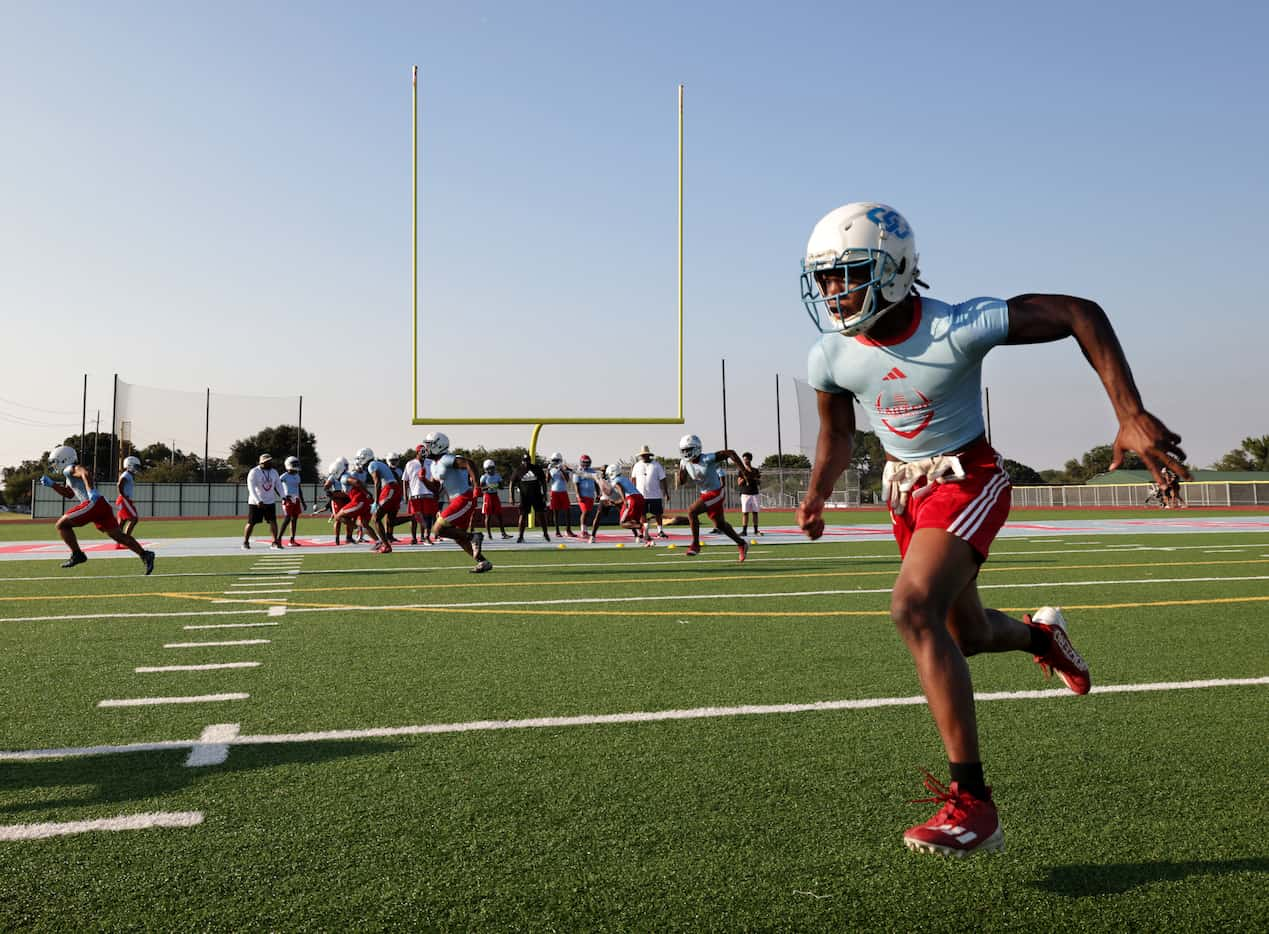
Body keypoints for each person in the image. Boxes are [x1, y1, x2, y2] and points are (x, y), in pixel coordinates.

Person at [795, 201, 1188, 857]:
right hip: (904, 494)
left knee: (912, 607)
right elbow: (836, 436)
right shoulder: (830, 357)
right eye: (825, 279)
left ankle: (972, 804)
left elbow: (1076, 313)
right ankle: (1041, 636)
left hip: (967, 478)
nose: (834, 292)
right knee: (965, 633)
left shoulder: (956, 324)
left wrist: (1129, 411)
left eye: (848, 273)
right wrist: (815, 494)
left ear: (893, 270)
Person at [42, 445, 154, 573]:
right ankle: (145, 554)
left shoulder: (69, 469)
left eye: (55, 462)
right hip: (101, 505)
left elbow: (85, 472)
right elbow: (69, 494)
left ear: (64, 459)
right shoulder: (68, 475)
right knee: (118, 535)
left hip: (93, 503)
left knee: (61, 525)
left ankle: (77, 555)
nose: (54, 465)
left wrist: (90, 491)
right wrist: (52, 485)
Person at [422, 431, 491, 573]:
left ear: (438, 445)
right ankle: (483, 562)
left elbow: (469, 463)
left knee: (438, 529)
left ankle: (474, 537)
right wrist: (423, 480)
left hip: (464, 498)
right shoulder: (433, 465)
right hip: (454, 501)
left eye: (428, 445)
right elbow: (436, 489)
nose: (426, 448)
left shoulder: (447, 459)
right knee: (459, 537)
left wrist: (477, 486)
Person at [677, 433, 750, 561]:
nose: (686, 453)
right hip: (705, 494)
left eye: (688, 450)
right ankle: (741, 543)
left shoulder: (707, 458)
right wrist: (681, 473)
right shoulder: (684, 462)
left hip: (716, 492)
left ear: (697, 448)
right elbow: (682, 482)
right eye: (684, 450)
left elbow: (731, 453)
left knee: (691, 511)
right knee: (720, 525)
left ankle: (695, 544)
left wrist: (744, 472)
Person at [336, 448, 383, 551]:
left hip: (359, 501)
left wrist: (366, 493)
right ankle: (378, 541)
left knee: (338, 516)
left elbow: (357, 482)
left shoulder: (344, 477)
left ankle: (356, 528)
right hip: (365, 501)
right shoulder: (349, 474)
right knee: (364, 524)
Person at [243, 453, 283, 550]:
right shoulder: (254, 472)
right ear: (262, 462)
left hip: (270, 501)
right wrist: (258, 501)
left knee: (273, 521)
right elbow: (251, 488)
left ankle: (275, 542)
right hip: (255, 502)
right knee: (251, 522)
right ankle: (245, 542)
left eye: (270, 461)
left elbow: (278, 485)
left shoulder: (274, 472)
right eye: (267, 461)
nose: (269, 463)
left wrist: (284, 496)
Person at [365, 449, 401, 553]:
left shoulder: (371, 465)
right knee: (390, 520)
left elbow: (377, 482)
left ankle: (385, 545)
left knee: (376, 518)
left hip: (390, 488)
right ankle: (412, 517)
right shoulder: (377, 463)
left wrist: (376, 501)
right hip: (392, 489)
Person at [605, 463, 650, 545]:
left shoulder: (616, 480)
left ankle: (642, 526)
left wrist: (624, 500)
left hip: (632, 499)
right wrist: (615, 502)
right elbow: (627, 493)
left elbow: (620, 488)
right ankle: (649, 540)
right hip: (640, 498)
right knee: (634, 521)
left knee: (623, 523)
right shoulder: (624, 479)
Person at [403, 445, 439, 544]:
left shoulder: (431, 463)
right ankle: (414, 538)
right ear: (417, 452)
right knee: (414, 518)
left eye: (425, 453)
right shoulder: (410, 464)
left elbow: (436, 479)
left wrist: (436, 491)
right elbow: (405, 480)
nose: (424, 455)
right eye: (422, 452)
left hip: (428, 493)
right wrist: (405, 495)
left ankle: (426, 537)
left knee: (428, 517)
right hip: (415, 494)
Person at [631, 445, 669, 537]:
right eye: (643, 455)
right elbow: (633, 479)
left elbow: (663, 479)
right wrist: (633, 492)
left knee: (658, 514)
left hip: (655, 495)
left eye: (646, 455)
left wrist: (666, 493)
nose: (644, 456)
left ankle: (660, 531)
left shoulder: (656, 465)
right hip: (641, 495)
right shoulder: (637, 465)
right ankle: (645, 531)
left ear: (649, 455)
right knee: (642, 514)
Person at [510, 454, 550, 543]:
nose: (526, 463)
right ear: (522, 461)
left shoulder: (536, 469)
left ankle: (545, 533)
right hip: (524, 497)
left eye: (527, 460)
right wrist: (511, 497)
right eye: (524, 461)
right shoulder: (518, 470)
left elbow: (543, 482)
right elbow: (512, 483)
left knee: (541, 515)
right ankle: (520, 536)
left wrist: (544, 494)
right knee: (523, 516)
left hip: (537, 496)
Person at [321, 456, 354, 545]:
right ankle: (337, 538)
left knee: (347, 517)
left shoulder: (347, 474)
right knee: (338, 519)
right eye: (345, 465)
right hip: (338, 498)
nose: (346, 467)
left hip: (346, 496)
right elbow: (326, 486)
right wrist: (331, 493)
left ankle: (349, 537)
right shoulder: (334, 475)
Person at [277, 455, 307, 546]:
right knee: (287, 519)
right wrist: (282, 496)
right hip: (288, 499)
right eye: (294, 464)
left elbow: (299, 488)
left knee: (294, 520)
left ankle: (292, 540)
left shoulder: (297, 475)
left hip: (296, 499)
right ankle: (278, 539)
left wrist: (303, 502)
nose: (296, 466)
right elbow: (276, 485)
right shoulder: (284, 476)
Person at [479, 459, 512, 539]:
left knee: (499, 515)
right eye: (489, 468)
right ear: (486, 469)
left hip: (495, 495)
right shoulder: (484, 477)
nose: (491, 470)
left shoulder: (497, 476)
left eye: (492, 468)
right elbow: (481, 488)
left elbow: (501, 487)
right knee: (488, 516)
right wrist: (488, 487)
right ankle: (489, 534)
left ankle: (503, 533)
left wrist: (497, 485)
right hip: (487, 496)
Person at [546, 451, 577, 537]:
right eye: (554, 460)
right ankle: (557, 531)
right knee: (555, 512)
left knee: (567, 511)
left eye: (557, 460)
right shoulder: (551, 468)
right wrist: (548, 471)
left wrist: (561, 470)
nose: (555, 462)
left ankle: (568, 530)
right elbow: (547, 480)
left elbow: (567, 479)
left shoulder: (563, 468)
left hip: (563, 491)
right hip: (554, 492)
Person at [114, 454, 142, 547]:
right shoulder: (126, 475)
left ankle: (119, 542)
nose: (137, 469)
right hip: (124, 499)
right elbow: (120, 484)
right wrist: (124, 496)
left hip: (123, 499)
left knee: (122, 521)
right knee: (134, 518)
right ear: (130, 465)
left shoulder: (128, 474)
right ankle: (126, 541)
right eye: (136, 466)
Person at [573, 455, 600, 542]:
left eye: (587, 462)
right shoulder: (578, 471)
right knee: (585, 512)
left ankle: (585, 530)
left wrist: (598, 493)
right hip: (583, 495)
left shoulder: (592, 471)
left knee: (588, 513)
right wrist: (578, 495)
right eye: (584, 462)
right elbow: (576, 484)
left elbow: (596, 483)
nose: (586, 464)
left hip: (590, 495)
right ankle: (583, 531)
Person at [738, 452, 763, 537]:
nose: (745, 461)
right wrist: (745, 478)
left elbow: (759, 482)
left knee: (755, 512)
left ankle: (756, 530)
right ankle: (744, 531)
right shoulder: (741, 471)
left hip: (754, 493)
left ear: (750, 459)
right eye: (744, 459)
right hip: (745, 494)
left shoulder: (755, 470)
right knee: (745, 513)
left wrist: (753, 477)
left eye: (747, 459)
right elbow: (739, 483)